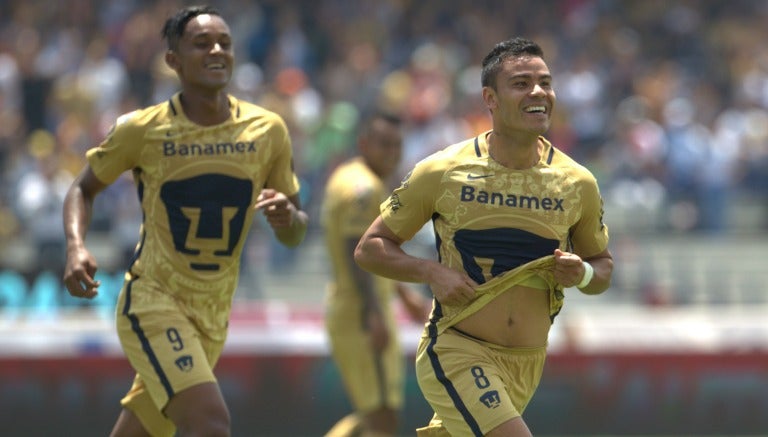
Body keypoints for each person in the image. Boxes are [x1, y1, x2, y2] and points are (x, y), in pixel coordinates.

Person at [62, 5, 308, 437]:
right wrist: (76, 246)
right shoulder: (142, 129)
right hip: (154, 302)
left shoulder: (268, 131)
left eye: (225, 44)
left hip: (213, 315)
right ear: (172, 60)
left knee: (140, 429)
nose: (217, 50)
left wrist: (289, 219)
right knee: (210, 422)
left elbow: (295, 234)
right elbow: (82, 188)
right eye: (201, 43)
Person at [354, 37, 614, 437]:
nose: (538, 93)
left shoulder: (578, 183)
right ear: (490, 98)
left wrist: (580, 274)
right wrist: (431, 272)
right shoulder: (442, 171)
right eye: (522, 83)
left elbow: (603, 268)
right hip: (458, 349)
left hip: (526, 362)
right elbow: (370, 248)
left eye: (545, 82)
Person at [321, 112, 431, 437]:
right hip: (361, 310)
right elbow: (354, 249)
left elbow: (372, 255)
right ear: (364, 143)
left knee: (375, 415)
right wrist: (372, 312)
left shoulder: (348, 175)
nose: (392, 153)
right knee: (382, 417)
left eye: (397, 145)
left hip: (353, 305)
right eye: (384, 144)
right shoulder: (364, 189)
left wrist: (402, 294)